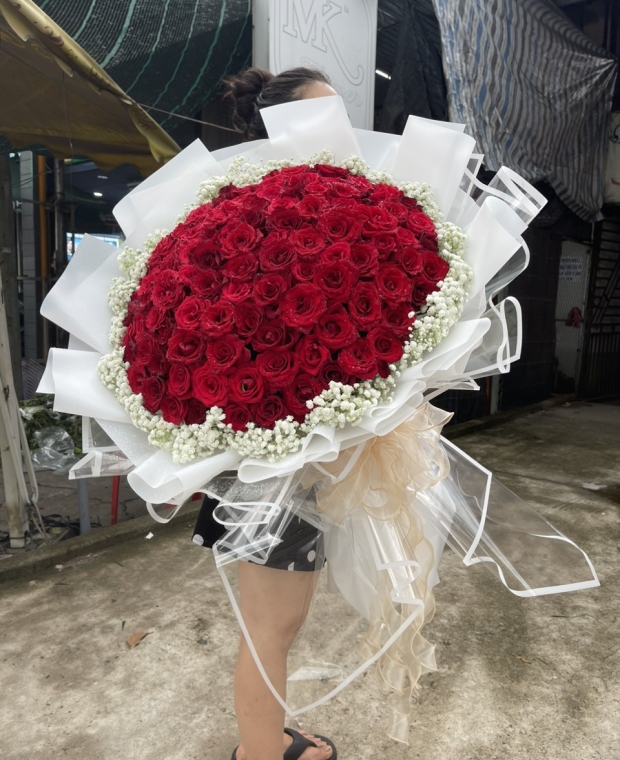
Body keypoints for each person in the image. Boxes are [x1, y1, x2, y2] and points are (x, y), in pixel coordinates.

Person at [192, 67, 340, 760]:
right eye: (321, 112)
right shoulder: (262, 216)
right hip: (271, 464)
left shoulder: (279, 206)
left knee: (277, 623)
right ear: (277, 125)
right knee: (270, 629)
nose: (338, 124)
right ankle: (258, 752)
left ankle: (268, 736)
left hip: (281, 455)